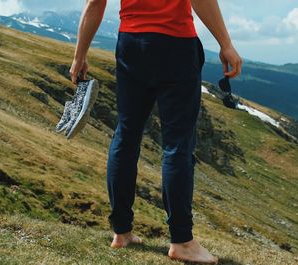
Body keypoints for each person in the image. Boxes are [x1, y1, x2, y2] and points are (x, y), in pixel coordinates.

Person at [69, 0, 242, 263]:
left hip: (130, 43)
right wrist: (225, 43)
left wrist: (79, 55)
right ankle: (182, 241)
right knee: (177, 144)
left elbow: (95, 2)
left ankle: (122, 232)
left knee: (126, 135)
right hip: (175, 43)